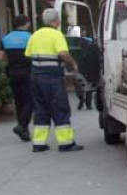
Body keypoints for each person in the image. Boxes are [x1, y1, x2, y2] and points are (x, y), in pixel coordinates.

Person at [25, 8, 84, 152]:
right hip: (52, 78)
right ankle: (65, 143)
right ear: (56, 21)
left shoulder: (35, 35)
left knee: (40, 110)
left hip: (36, 78)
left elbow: (28, 54)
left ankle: (38, 144)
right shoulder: (56, 35)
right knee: (59, 108)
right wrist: (73, 63)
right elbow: (63, 53)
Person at [0, 15, 33, 142]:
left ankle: (24, 131)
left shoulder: (6, 38)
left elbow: (0, 57)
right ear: (26, 23)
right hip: (28, 72)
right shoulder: (30, 37)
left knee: (19, 102)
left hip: (12, 72)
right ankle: (22, 125)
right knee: (31, 100)